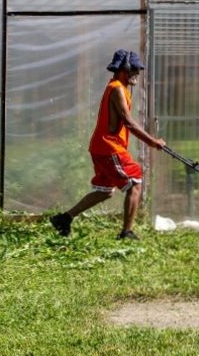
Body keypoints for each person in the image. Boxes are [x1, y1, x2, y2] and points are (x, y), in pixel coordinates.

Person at [50, 50, 166, 240]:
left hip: (101, 147)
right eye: (135, 69)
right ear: (124, 69)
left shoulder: (119, 88)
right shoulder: (118, 89)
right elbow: (128, 122)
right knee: (135, 183)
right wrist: (153, 142)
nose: (138, 72)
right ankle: (126, 232)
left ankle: (64, 218)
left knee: (104, 191)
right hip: (109, 147)